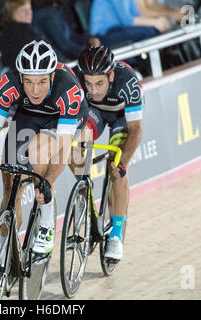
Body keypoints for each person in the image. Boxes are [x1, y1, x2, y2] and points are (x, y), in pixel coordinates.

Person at [0, 40, 88, 254]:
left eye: (42, 82)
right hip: (29, 115)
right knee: (11, 185)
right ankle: (5, 251)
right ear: (20, 77)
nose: (35, 90)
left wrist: (48, 182)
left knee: (40, 151)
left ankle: (47, 221)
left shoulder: (68, 88)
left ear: (52, 76)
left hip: (62, 117)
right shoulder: (7, 83)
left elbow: (63, 147)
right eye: (29, 82)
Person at [71, 45, 143, 261]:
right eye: (89, 83)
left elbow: (136, 131)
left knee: (116, 168)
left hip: (122, 119)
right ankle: (85, 189)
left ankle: (116, 236)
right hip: (95, 114)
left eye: (100, 83)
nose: (93, 90)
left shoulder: (128, 81)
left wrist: (122, 165)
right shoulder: (74, 78)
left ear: (111, 75)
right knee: (74, 145)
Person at [32, 0, 101, 61]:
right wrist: (91, 51)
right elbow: (67, 49)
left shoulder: (54, 10)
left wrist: (88, 40)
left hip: (68, 59)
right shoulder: (47, 15)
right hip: (64, 64)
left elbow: (70, 36)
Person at [89, 0, 172, 49]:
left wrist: (158, 21)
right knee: (149, 32)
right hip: (104, 35)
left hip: (118, 29)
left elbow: (137, 16)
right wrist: (155, 22)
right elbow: (127, 20)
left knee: (152, 30)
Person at [0, 0, 43, 71]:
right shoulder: (13, 34)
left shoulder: (28, 29)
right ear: (12, 14)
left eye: (29, 9)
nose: (29, 13)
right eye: (23, 11)